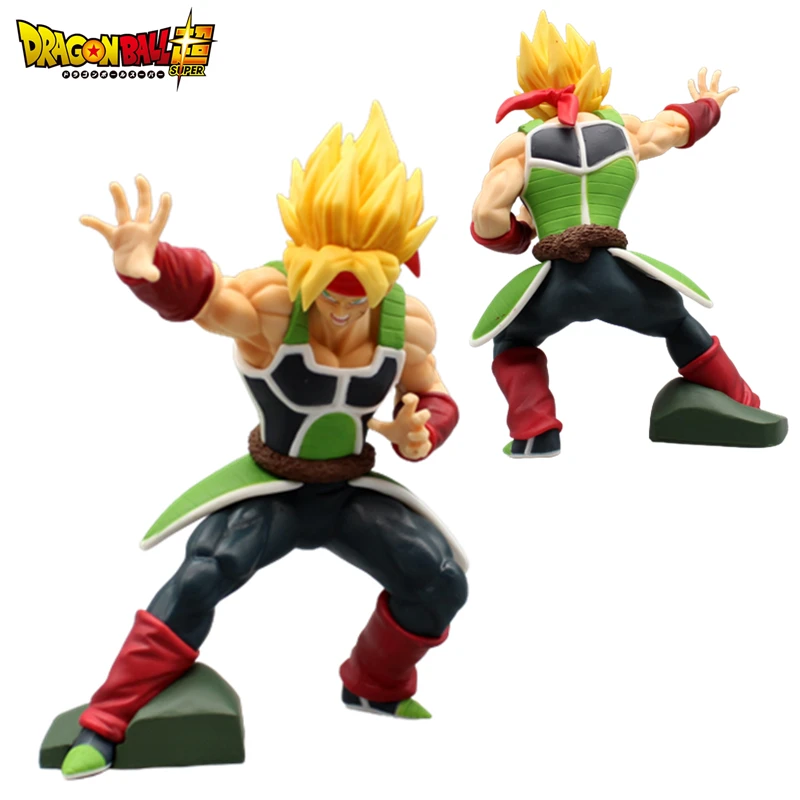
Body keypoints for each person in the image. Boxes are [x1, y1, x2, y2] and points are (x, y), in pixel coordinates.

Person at [61, 102, 467, 779]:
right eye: (330, 293)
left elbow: (434, 395)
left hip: (348, 491)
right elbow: (209, 300)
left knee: (440, 581)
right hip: (275, 488)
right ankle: (105, 722)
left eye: (360, 297)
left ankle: (375, 682)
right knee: (203, 573)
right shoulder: (276, 301)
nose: (343, 310)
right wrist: (149, 266)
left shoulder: (410, 322)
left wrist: (421, 430)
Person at [470, 11, 782, 457]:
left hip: (557, 284)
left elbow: (486, 215)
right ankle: (741, 400)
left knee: (511, 341)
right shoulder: (624, 131)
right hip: (615, 276)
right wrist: (707, 105)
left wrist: (522, 234)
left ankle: (535, 433)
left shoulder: (520, 147)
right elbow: (675, 128)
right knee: (676, 322)